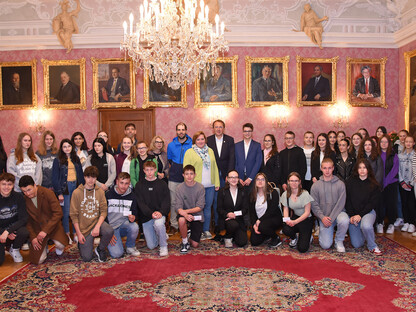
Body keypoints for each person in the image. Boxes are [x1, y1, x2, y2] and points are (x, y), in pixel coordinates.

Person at [19, 175, 69, 264]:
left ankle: (57, 246)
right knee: (38, 261)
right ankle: (44, 246)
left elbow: (58, 213)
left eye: (29, 190)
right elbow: (27, 221)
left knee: (60, 244)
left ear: (35, 185)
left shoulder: (48, 193)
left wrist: (45, 231)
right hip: (37, 230)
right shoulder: (24, 200)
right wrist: (33, 237)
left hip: (53, 227)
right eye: (24, 191)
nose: (27, 194)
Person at [70, 166, 114, 262]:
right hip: (84, 228)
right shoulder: (76, 193)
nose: (91, 180)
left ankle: (100, 249)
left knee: (109, 231)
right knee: (87, 258)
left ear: (96, 178)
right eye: (88, 177)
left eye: (93, 177)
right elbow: (73, 215)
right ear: (85, 177)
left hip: (96, 223)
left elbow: (103, 211)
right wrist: (78, 233)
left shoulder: (100, 192)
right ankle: (81, 244)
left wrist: (97, 227)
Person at [183, 131, 220, 240]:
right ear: (194, 141)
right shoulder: (189, 152)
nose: (200, 141)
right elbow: (186, 169)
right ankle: (196, 231)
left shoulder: (210, 151)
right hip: (196, 186)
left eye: (202, 139)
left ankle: (206, 230)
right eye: (198, 139)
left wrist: (217, 182)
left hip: (210, 185)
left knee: (208, 208)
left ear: (205, 140)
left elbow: (215, 167)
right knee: (197, 209)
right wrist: (188, 182)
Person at [310, 158, 348, 252]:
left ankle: (339, 241)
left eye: (329, 168)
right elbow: (314, 205)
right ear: (321, 169)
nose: (327, 171)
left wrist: (331, 217)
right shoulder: (316, 186)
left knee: (344, 220)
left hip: (338, 214)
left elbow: (341, 204)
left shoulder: (340, 184)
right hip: (324, 217)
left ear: (333, 168)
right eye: (325, 168)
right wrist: (322, 218)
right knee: (325, 245)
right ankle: (324, 234)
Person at [346, 159, 382, 256]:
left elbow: (372, 204)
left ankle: (372, 246)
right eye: (360, 168)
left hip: (368, 212)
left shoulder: (374, 184)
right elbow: (347, 201)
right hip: (354, 214)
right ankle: (365, 233)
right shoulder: (350, 182)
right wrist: (353, 215)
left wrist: (360, 215)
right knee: (357, 244)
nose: (362, 170)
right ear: (356, 169)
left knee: (366, 226)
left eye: (364, 168)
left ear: (368, 169)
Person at [52, 139, 85, 244]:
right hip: (64, 189)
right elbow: (55, 178)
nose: (67, 148)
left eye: (69, 146)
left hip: (76, 187)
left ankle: (75, 233)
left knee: (76, 212)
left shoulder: (76, 158)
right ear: (61, 148)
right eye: (64, 146)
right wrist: (59, 193)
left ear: (72, 147)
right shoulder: (57, 160)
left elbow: (80, 174)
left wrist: (82, 188)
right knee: (66, 213)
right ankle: (67, 234)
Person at [135, 161, 170, 256]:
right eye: (147, 170)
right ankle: (161, 234)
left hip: (159, 214)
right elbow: (140, 203)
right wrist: (151, 213)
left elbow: (166, 201)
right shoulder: (139, 185)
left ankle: (163, 246)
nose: (149, 172)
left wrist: (161, 212)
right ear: (143, 171)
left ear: (155, 170)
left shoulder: (162, 184)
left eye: (151, 170)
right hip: (147, 216)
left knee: (158, 224)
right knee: (151, 246)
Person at [207, 120, 235, 235]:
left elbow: (232, 158)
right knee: (214, 200)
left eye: (220, 127)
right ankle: (217, 224)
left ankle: (226, 223)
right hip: (212, 175)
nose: (218, 129)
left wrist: (229, 174)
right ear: (213, 128)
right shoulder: (208, 140)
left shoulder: (229, 140)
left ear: (224, 128)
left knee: (225, 199)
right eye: (216, 127)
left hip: (225, 175)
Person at [167, 122, 193, 234]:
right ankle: (173, 224)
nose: (181, 132)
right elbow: (169, 160)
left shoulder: (192, 144)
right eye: (179, 129)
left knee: (188, 202)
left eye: (183, 129)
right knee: (173, 202)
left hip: (188, 177)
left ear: (186, 131)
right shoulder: (171, 145)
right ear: (176, 131)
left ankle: (187, 222)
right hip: (174, 176)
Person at [106, 172, 140, 258]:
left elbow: (135, 212)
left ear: (129, 184)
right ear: (117, 182)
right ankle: (105, 240)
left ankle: (130, 246)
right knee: (117, 254)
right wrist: (108, 232)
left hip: (123, 225)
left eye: (126, 183)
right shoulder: (108, 195)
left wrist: (133, 217)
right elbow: (102, 216)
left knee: (134, 226)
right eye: (121, 183)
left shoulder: (132, 196)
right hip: (111, 227)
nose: (123, 186)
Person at [174, 165, 205, 254]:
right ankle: (184, 242)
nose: (189, 176)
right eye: (187, 174)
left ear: (195, 175)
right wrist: (185, 215)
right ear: (183, 175)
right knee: (181, 220)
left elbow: (200, 206)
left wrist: (186, 212)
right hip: (184, 215)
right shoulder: (179, 188)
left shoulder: (200, 187)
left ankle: (189, 233)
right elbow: (178, 207)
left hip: (197, 215)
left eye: (191, 174)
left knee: (195, 244)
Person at [281, 172, 314, 253]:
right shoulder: (285, 194)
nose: (294, 183)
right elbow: (285, 209)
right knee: (285, 229)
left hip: (306, 219)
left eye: (296, 181)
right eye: (291, 181)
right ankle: (294, 238)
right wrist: (287, 221)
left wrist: (294, 222)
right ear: (288, 182)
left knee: (302, 249)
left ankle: (308, 236)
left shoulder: (305, 194)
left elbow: (307, 212)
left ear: (299, 182)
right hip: (295, 217)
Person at [0, 173, 28, 265]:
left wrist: (8, 231)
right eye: (3, 184)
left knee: (24, 231)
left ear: (13, 185)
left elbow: (23, 218)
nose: (6, 187)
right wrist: (4, 232)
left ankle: (14, 248)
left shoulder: (18, 197)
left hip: (14, 229)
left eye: (9, 184)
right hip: (1, 232)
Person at [248, 172, 282, 247]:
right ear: (255, 182)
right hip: (259, 222)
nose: (260, 181)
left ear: (266, 182)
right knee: (254, 242)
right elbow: (252, 212)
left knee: (262, 226)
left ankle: (276, 237)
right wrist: (254, 225)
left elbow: (271, 211)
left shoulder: (273, 193)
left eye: (262, 179)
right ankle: (267, 234)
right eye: (258, 179)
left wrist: (259, 221)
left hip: (273, 218)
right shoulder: (252, 195)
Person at [217, 170, 248, 248]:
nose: (233, 179)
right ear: (227, 179)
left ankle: (234, 235)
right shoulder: (222, 191)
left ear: (238, 179)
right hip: (226, 219)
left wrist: (234, 215)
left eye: (236, 177)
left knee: (242, 242)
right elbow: (219, 209)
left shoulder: (243, 191)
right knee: (233, 225)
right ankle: (227, 237)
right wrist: (227, 214)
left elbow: (245, 209)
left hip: (239, 219)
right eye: (231, 177)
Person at [376, 134, 399, 234]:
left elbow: (395, 170)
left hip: (391, 183)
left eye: (386, 142)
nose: (383, 144)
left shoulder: (394, 154)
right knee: (380, 204)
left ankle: (391, 224)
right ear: (379, 143)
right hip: (379, 184)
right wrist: (380, 182)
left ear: (389, 143)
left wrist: (385, 182)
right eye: (382, 142)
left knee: (391, 204)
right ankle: (380, 223)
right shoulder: (376, 154)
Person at [235, 123, 262, 191]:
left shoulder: (257, 145)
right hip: (239, 179)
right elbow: (235, 162)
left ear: (252, 132)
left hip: (252, 179)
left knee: (251, 200)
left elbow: (258, 162)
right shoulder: (236, 145)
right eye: (245, 131)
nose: (247, 133)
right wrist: (238, 177)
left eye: (249, 131)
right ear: (243, 132)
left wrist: (250, 178)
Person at [398, 135, 416, 233]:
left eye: (410, 142)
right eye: (406, 142)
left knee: (411, 204)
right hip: (402, 184)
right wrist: (402, 181)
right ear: (404, 143)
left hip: (412, 184)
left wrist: (411, 183)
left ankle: (412, 223)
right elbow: (398, 170)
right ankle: (406, 222)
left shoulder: (415, 155)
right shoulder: (400, 156)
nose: (408, 143)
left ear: (413, 143)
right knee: (404, 203)